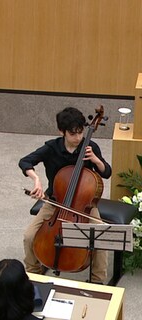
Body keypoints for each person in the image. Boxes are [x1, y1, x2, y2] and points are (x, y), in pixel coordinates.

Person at [19, 107, 112, 284]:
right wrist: (36, 179)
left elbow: (107, 172)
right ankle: (33, 274)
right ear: (61, 131)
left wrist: (96, 160)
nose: (78, 138)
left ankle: (98, 281)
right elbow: (25, 162)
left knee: (101, 237)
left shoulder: (90, 147)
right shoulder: (51, 148)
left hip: (84, 206)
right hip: (55, 203)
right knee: (29, 236)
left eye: (80, 132)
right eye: (72, 134)